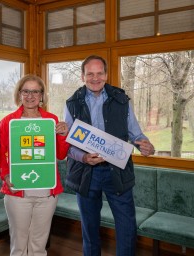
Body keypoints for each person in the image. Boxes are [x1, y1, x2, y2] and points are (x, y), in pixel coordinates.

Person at [64, 55, 155, 256]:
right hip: (86, 173)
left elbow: (136, 135)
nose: (95, 78)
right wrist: (84, 157)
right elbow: (67, 144)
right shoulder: (71, 104)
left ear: (106, 74)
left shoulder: (121, 100)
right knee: (89, 229)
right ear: (82, 76)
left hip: (117, 172)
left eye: (99, 73)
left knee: (126, 228)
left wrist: (146, 146)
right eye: (90, 74)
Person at [0, 74, 70, 256]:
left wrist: (62, 135)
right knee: (19, 246)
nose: (30, 96)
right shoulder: (8, 122)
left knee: (39, 245)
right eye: (26, 91)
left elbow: (61, 154)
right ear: (19, 94)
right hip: (18, 192)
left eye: (35, 91)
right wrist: (5, 175)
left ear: (42, 95)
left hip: (46, 193)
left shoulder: (51, 120)